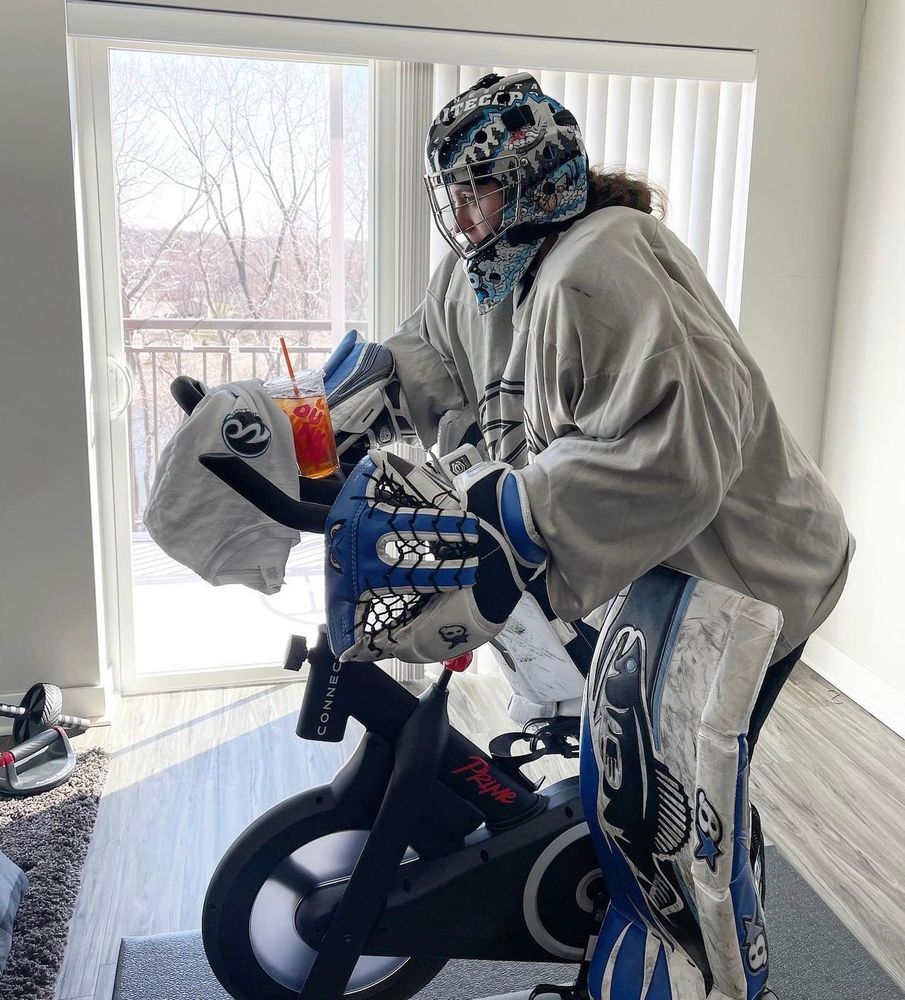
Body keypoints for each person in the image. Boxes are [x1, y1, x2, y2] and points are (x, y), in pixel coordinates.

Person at [320, 72, 853, 1000]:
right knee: (625, 785)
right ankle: (627, 926)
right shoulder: (490, 272)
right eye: (451, 189)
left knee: (668, 819)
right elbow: (433, 358)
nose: (460, 208)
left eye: (475, 185)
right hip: (664, 568)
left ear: (530, 181)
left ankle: (698, 975)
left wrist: (514, 510)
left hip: (751, 574)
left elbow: (682, 445)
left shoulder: (605, 260)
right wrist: (328, 415)